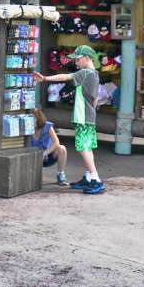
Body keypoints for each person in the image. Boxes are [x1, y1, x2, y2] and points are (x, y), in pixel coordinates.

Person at [32, 45, 106, 194]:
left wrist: (45, 78)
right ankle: (88, 177)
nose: (76, 62)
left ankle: (95, 179)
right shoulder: (95, 74)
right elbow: (96, 100)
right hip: (89, 116)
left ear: (86, 58)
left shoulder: (84, 73)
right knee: (87, 147)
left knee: (83, 147)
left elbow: (65, 76)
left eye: (78, 59)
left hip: (83, 117)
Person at [32, 109, 69, 186]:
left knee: (62, 148)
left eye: (33, 118)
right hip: (32, 158)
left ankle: (60, 175)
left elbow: (56, 142)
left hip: (47, 156)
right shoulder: (25, 128)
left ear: (38, 118)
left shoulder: (47, 125)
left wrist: (44, 153)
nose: (31, 121)